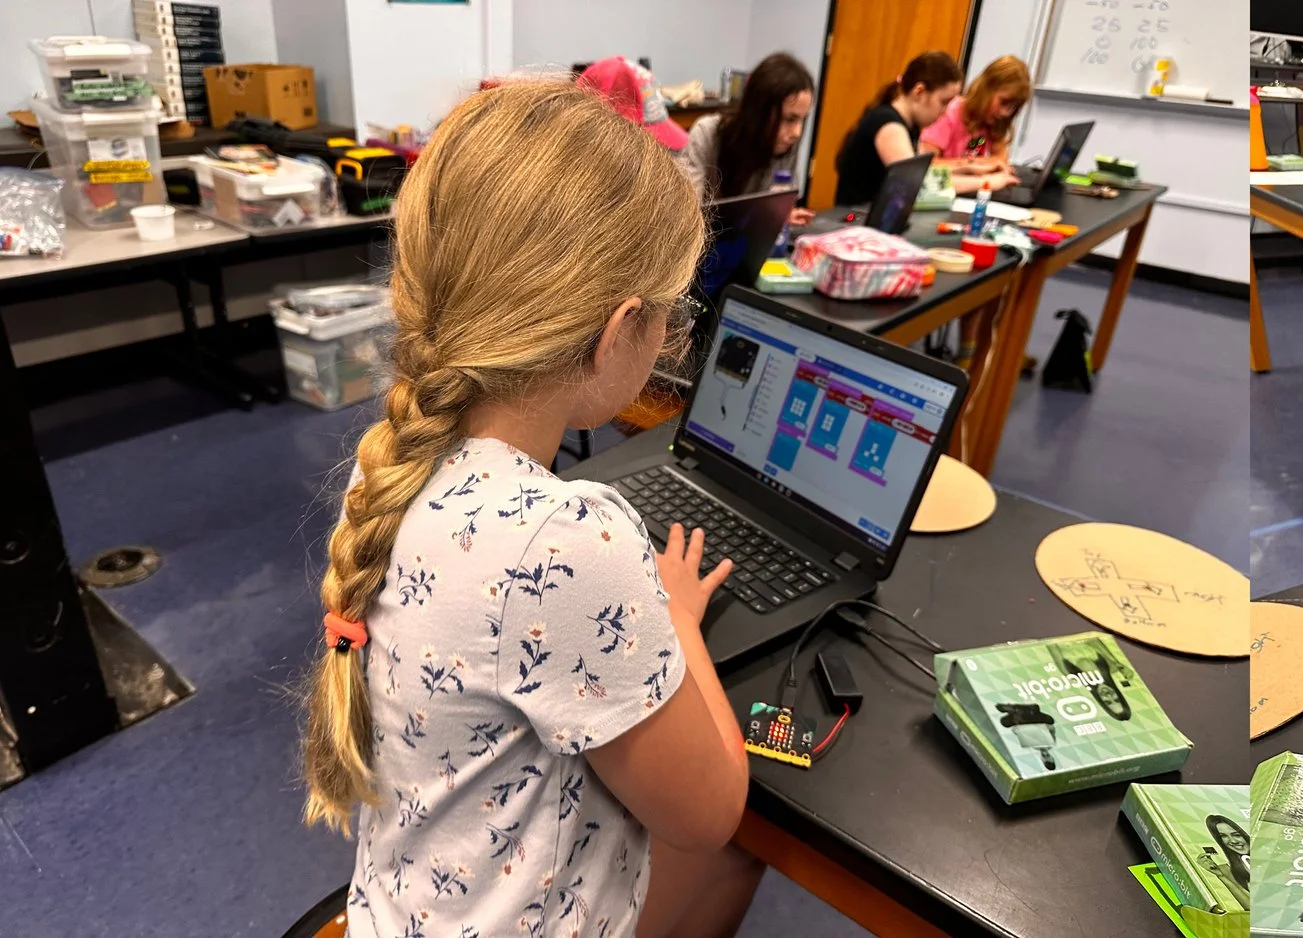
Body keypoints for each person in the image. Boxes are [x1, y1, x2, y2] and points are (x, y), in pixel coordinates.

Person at [298, 81, 763, 938]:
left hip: (404, 911)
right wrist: (678, 619)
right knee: (737, 853)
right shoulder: (566, 538)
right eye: (670, 316)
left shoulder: (389, 469)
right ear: (617, 330)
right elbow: (709, 815)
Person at [679, 51, 818, 225]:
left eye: (802, 120)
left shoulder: (786, 142)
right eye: (790, 119)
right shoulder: (707, 133)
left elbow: (776, 205)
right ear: (759, 112)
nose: (797, 132)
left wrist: (782, 217)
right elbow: (686, 213)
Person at [832, 50, 962, 206]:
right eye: (944, 102)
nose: (946, 111)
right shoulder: (889, 125)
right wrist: (985, 182)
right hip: (855, 220)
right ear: (919, 91)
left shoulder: (911, 126)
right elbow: (918, 186)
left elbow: (927, 174)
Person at [919, 55, 1027, 193]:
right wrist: (973, 164)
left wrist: (985, 165)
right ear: (986, 89)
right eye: (1004, 102)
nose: (1005, 113)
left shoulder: (992, 121)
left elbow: (1000, 159)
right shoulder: (949, 113)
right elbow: (926, 164)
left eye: (1013, 107)